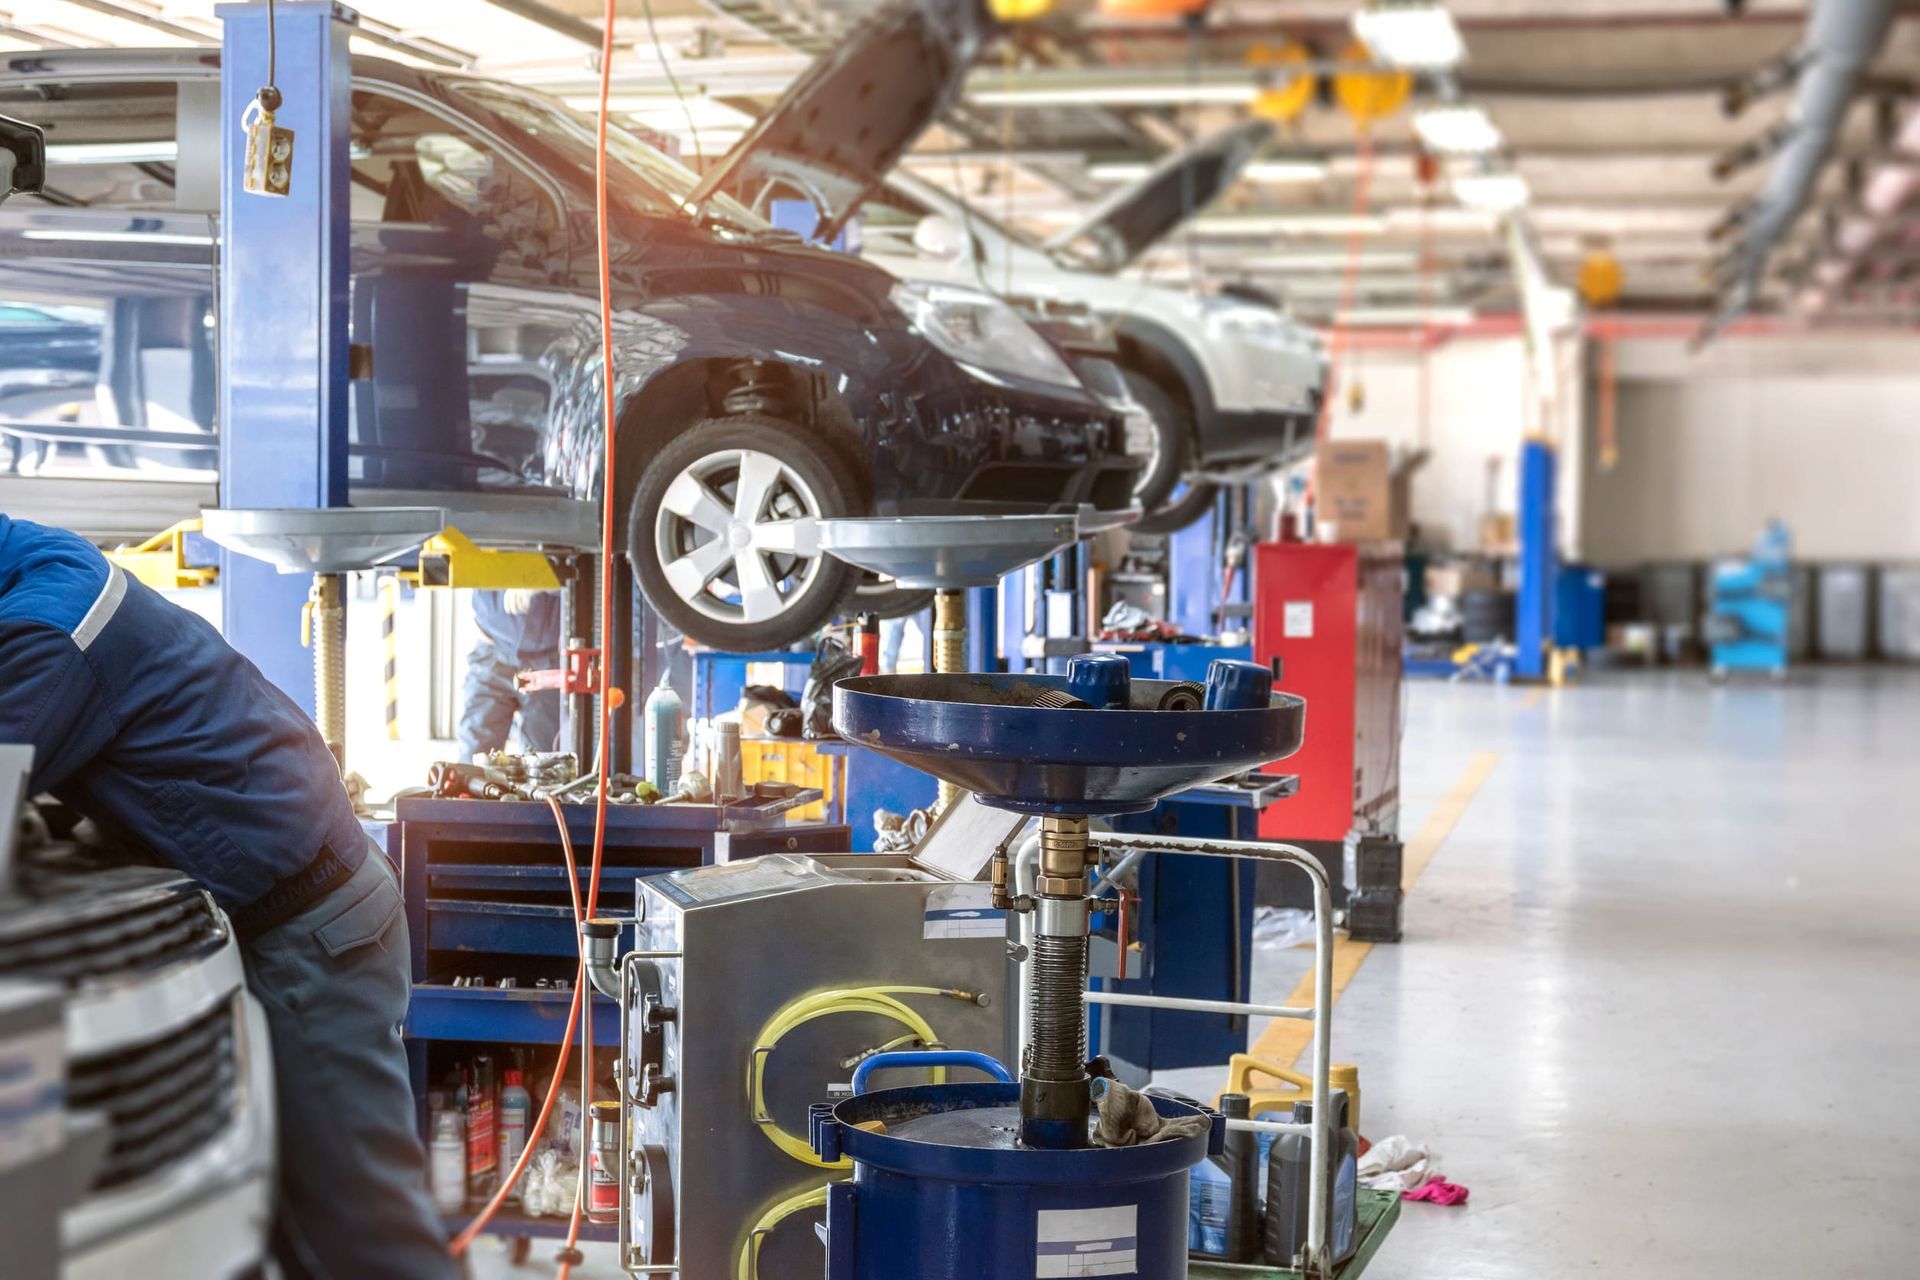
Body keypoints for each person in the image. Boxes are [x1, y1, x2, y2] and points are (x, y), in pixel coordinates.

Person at [0, 514, 457, 1280]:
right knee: (293, 1227)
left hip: (313, 931)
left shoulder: (48, 633)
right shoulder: (42, 558)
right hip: (296, 910)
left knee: (362, 1237)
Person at [459, 588, 562, 760]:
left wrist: (542, 582)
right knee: (473, 763)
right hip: (492, 652)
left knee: (544, 766)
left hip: (549, 664)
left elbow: (591, 572)